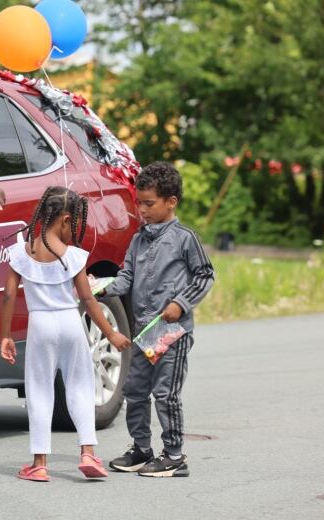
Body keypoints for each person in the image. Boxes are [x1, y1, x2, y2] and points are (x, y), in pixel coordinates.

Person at [0, 186, 131, 482]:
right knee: (81, 385)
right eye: (75, 225)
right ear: (64, 220)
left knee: (40, 390)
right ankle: (88, 453)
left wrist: (5, 335)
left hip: (40, 326)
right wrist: (111, 333)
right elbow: (88, 300)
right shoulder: (72, 257)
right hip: (70, 323)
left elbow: (8, 296)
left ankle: (39, 463)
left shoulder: (21, 252)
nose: (75, 232)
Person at [102, 162, 215, 477]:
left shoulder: (184, 239)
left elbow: (205, 276)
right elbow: (126, 277)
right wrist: (100, 289)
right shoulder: (139, 239)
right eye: (139, 203)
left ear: (171, 202)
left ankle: (175, 456)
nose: (142, 210)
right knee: (134, 390)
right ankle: (141, 449)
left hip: (171, 332)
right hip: (144, 332)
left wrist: (181, 302)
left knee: (165, 393)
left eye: (149, 204)